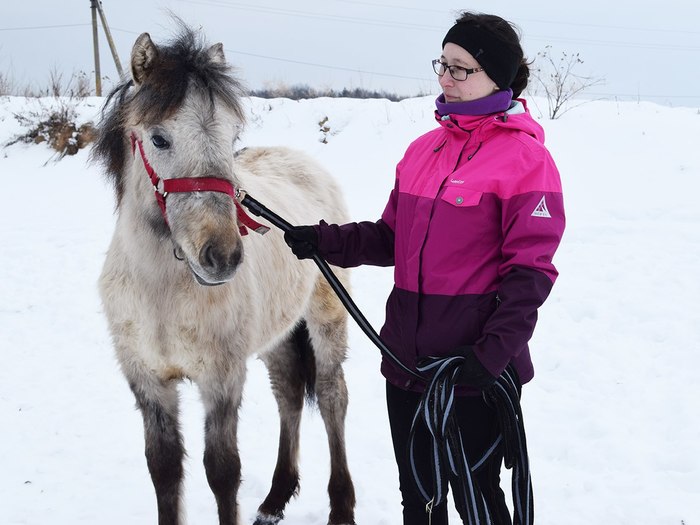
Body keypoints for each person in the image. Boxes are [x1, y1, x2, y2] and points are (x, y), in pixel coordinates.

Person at [284, 11, 565, 525]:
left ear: (496, 78)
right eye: (444, 64)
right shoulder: (422, 151)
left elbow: (531, 275)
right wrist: (323, 239)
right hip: (408, 365)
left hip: (473, 369)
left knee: (477, 496)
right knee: (419, 497)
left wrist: (491, 355)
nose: (446, 79)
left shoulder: (526, 161)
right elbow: (392, 236)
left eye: (462, 69)